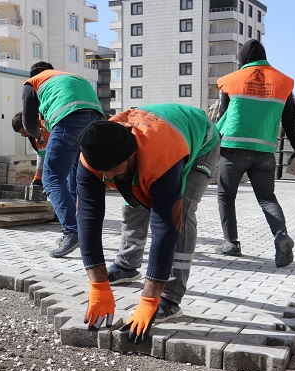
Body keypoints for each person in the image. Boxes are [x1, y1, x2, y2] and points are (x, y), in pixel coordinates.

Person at [77, 104, 220, 342]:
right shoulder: (93, 156)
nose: (108, 177)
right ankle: (126, 265)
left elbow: (165, 229)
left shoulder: (163, 157)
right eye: (103, 172)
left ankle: (171, 299)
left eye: (112, 169)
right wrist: (98, 284)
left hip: (201, 141)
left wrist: (149, 300)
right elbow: (87, 219)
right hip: (160, 133)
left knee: (181, 213)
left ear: (131, 154)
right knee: (133, 201)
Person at [215, 39, 295, 268]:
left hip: (232, 149)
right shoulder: (283, 82)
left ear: (242, 58)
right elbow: (291, 122)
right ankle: (281, 237)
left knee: (226, 197)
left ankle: (232, 243)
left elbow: (222, 116)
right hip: (265, 152)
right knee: (267, 198)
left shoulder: (230, 81)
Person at [21, 61, 104, 258]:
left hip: (68, 120)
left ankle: (71, 231)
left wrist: (38, 135)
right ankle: (85, 234)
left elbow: (28, 120)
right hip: (97, 122)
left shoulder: (32, 82)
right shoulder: (71, 76)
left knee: (52, 178)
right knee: (77, 181)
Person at [12, 111, 49, 186]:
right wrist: (38, 176)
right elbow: (40, 153)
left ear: (29, 124)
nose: (23, 135)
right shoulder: (32, 136)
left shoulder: (47, 126)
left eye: (24, 132)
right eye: (21, 133)